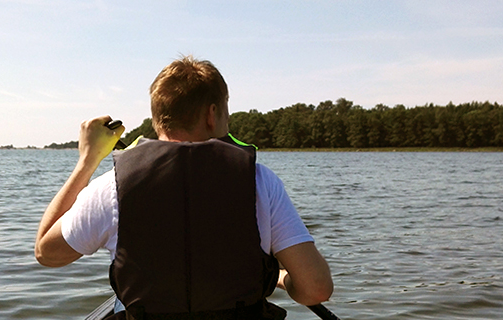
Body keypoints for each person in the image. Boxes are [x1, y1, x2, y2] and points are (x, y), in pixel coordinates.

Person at [34, 56, 333, 319]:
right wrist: (282, 280)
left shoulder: (113, 186)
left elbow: (47, 253)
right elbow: (316, 289)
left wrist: (87, 161)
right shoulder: (259, 181)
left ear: (157, 119)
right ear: (212, 114)